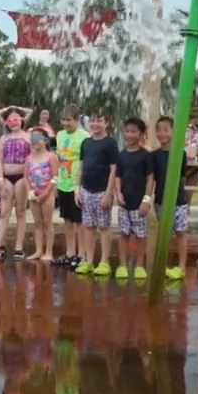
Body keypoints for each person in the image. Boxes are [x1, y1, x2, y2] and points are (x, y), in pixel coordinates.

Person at [74, 112, 119, 276]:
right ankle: (88, 260)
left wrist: (109, 193)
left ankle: (104, 261)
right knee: (88, 226)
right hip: (86, 190)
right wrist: (77, 189)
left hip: (102, 191)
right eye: (92, 120)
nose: (95, 124)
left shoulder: (110, 143)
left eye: (99, 120)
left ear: (106, 123)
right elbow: (81, 166)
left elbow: (114, 169)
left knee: (104, 226)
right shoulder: (86, 143)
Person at [0, 108, 31, 260]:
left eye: (16, 118)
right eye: (10, 119)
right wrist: (0, 179)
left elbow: (30, 159)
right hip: (7, 176)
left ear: (22, 120)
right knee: (4, 212)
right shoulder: (4, 138)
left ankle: (19, 246)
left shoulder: (28, 136)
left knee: (21, 211)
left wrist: (16, 109)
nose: (13, 122)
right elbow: (0, 161)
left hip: (21, 176)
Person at [115, 117, 154, 279]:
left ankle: (139, 265)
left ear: (141, 134)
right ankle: (122, 265)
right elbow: (118, 176)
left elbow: (150, 178)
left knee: (140, 235)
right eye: (127, 131)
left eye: (134, 131)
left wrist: (146, 199)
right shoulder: (121, 155)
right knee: (123, 234)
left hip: (139, 203)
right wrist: (118, 193)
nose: (130, 135)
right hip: (124, 202)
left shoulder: (146, 156)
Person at [152, 116, 189, 280]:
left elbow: (182, 177)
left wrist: (184, 197)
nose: (162, 133)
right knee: (164, 233)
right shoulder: (154, 156)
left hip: (178, 200)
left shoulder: (180, 153)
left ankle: (181, 266)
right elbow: (152, 179)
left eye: (166, 130)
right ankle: (162, 264)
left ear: (174, 132)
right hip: (160, 200)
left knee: (181, 233)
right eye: (158, 130)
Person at [54, 106, 89, 269]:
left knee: (79, 221)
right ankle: (70, 252)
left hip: (76, 183)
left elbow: (85, 162)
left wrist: (80, 184)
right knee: (67, 219)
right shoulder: (60, 135)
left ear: (77, 120)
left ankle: (82, 254)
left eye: (69, 120)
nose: (65, 123)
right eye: (63, 120)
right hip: (63, 182)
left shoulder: (84, 137)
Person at [25, 128, 60, 262]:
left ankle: (49, 251)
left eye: (37, 138)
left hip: (47, 194)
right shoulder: (29, 158)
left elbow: (55, 177)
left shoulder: (51, 157)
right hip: (34, 194)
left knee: (47, 222)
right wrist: (30, 192)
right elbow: (26, 177)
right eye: (32, 138)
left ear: (45, 141)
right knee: (37, 223)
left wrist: (46, 193)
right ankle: (38, 250)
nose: (34, 141)